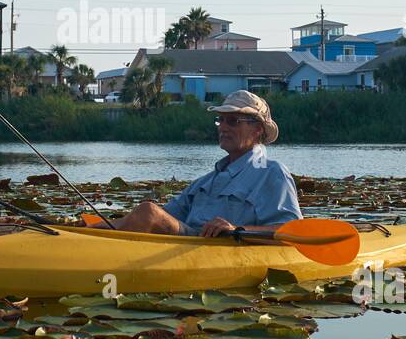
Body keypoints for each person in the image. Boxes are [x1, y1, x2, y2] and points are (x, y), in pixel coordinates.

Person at [100, 89, 302, 237]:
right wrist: (88, 226)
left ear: (257, 129)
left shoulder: (272, 172)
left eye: (232, 121)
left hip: (219, 250)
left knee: (148, 211)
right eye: (220, 120)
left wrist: (237, 230)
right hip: (187, 245)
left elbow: (292, 230)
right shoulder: (206, 181)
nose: (223, 127)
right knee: (148, 211)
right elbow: (163, 216)